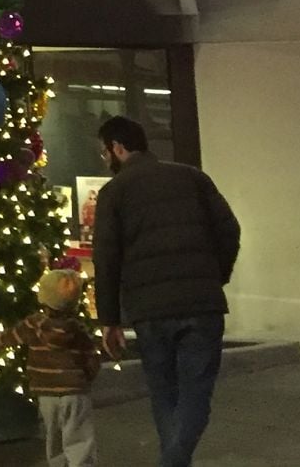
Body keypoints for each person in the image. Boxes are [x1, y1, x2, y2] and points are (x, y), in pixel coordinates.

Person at [92, 115, 241, 467]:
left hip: (149, 310)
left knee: (163, 395)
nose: (105, 159)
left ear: (117, 148)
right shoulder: (193, 178)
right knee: (196, 395)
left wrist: (109, 320)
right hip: (201, 305)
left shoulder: (114, 193)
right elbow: (230, 230)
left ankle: (170, 461)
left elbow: (106, 258)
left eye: (104, 152)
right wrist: (214, 276)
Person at [6, 267, 104, 467]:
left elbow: (9, 337)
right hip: (75, 394)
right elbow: (92, 358)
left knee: (54, 439)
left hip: (47, 394)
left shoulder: (33, 325)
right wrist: (86, 378)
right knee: (80, 439)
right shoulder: (78, 330)